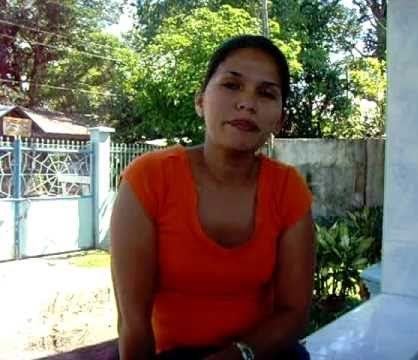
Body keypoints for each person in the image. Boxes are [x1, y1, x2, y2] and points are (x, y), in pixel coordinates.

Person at [110, 35, 315, 360]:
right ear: (200, 101)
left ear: (279, 118)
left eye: (266, 93)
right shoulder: (148, 180)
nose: (248, 102)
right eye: (232, 85)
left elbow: (294, 313)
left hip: (260, 352)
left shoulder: (288, 189)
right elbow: (133, 323)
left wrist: (237, 354)